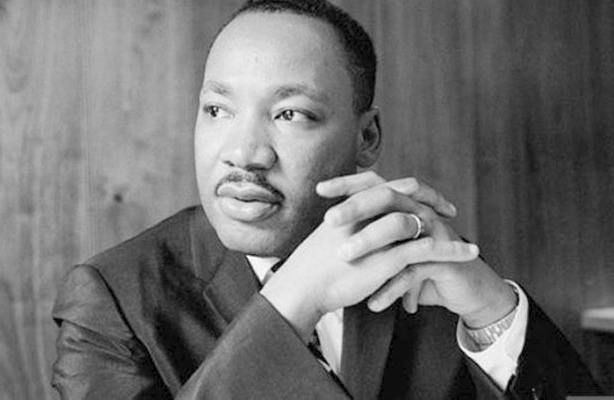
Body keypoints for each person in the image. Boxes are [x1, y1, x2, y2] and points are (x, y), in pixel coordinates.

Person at [52, 0, 600, 398]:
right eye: (217, 110)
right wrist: (292, 301)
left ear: (367, 138)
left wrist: (493, 312)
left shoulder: (423, 264)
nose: (243, 153)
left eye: (291, 114)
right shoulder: (111, 298)